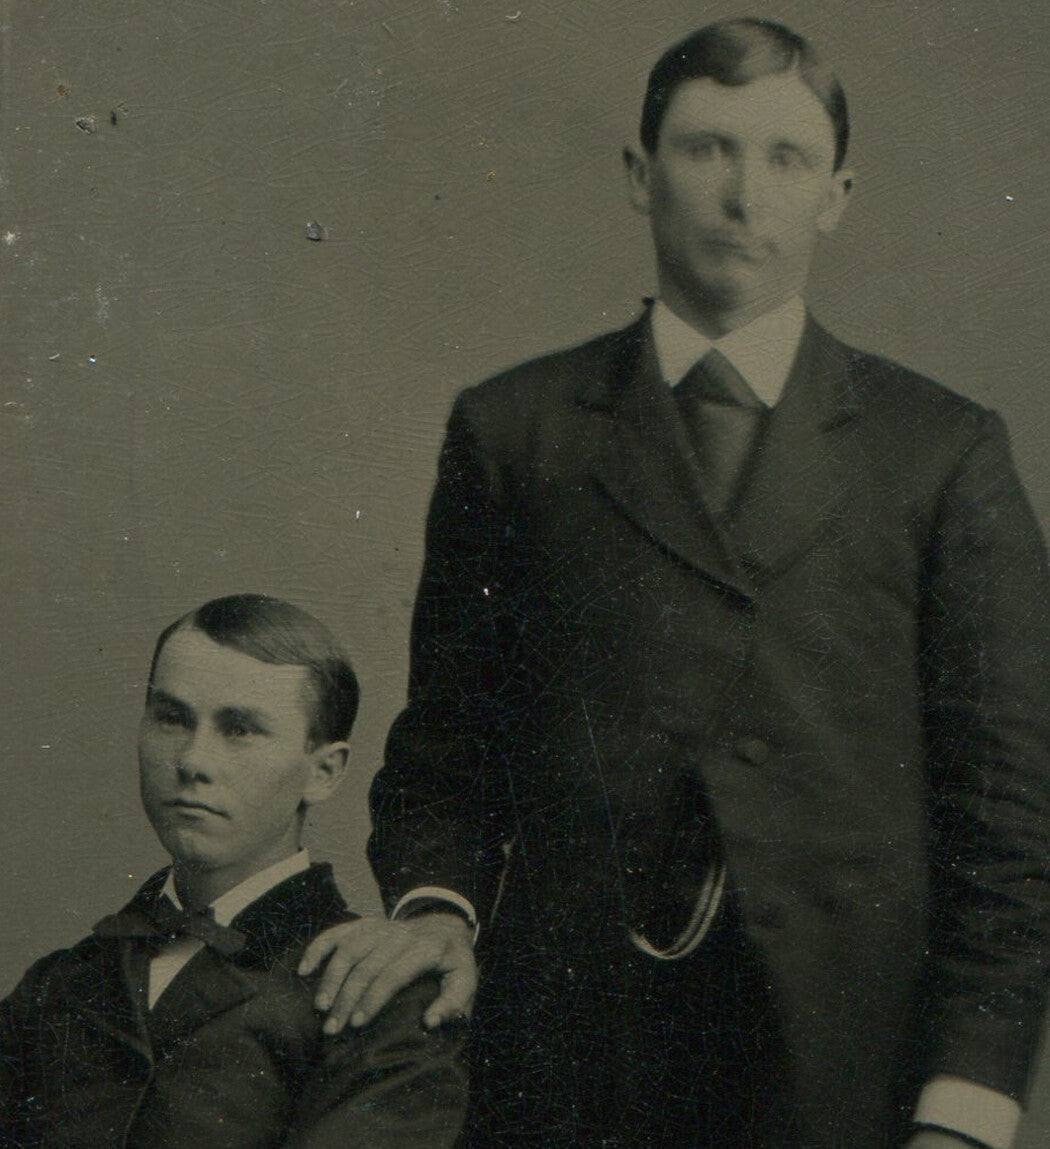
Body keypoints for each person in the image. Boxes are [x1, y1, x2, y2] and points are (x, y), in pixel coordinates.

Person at [299, 18, 1050, 1149]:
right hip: (572, 1059)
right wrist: (439, 913)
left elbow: (1008, 821)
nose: (744, 194)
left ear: (836, 195)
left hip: (850, 1069)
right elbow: (448, 747)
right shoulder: (518, 430)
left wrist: (967, 1109)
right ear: (641, 176)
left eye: (786, 159)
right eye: (707, 150)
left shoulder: (938, 450)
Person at [0, 593, 467, 1149]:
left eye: (239, 729)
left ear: (322, 772)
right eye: (172, 719)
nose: (193, 761)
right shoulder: (58, 986)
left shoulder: (377, 1001)